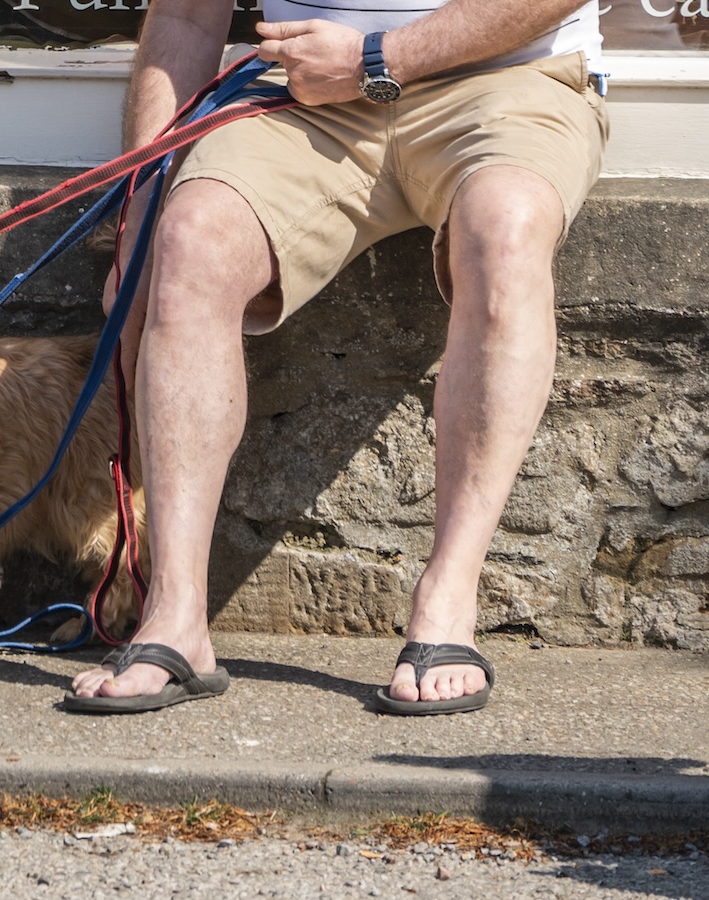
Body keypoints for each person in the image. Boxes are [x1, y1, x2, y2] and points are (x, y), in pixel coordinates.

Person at [65, 0, 608, 715]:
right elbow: (189, 19)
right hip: (304, 95)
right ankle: (174, 616)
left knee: (506, 231)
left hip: (512, 78)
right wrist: (141, 192)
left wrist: (380, 58)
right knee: (189, 240)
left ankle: (447, 601)